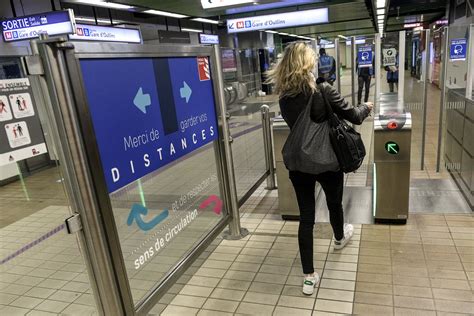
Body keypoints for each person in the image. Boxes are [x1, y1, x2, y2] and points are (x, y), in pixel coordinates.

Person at [267, 42, 372, 296]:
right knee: (334, 204)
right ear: (306, 63)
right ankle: (339, 238)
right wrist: (366, 107)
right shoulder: (323, 89)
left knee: (306, 218)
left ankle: (309, 277)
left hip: (300, 163)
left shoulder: (284, 98)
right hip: (327, 160)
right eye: (312, 59)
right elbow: (354, 116)